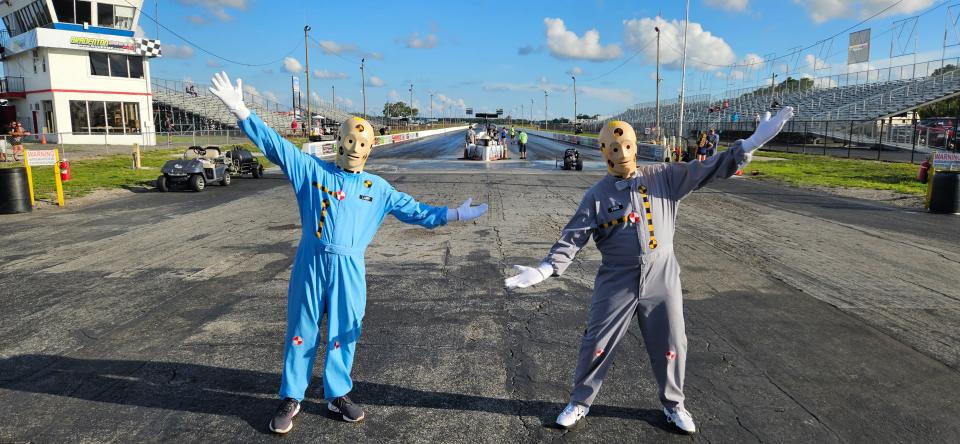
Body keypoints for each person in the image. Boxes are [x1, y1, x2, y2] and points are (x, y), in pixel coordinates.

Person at [208, 72, 490, 434]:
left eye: (363, 143)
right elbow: (276, 146)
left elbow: (416, 211)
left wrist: (453, 214)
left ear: (370, 148)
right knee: (301, 329)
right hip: (311, 263)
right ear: (339, 140)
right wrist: (242, 111)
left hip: (350, 269)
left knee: (346, 331)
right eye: (351, 140)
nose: (356, 148)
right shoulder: (311, 171)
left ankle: (337, 393)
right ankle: (292, 395)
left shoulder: (379, 188)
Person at [504, 108, 795, 434]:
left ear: (636, 146)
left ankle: (674, 405)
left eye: (626, 145)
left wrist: (751, 142)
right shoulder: (597, 196)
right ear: (604, 152)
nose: (621, 153)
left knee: (673, 342)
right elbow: (573, 236)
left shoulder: (664, 177)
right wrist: (546, 269)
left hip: (662, 274)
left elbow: (708, 168)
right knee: (596, 342)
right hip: (617, 278)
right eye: (614, 148)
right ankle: (580, 401)